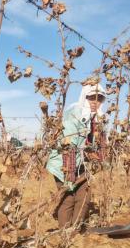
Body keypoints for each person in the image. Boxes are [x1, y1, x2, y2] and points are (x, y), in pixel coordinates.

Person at [46, 83, 107, 229]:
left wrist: (102, 158)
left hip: (80, 162)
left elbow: (99, 140)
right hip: (63, 163)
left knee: (84, 194)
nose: (95, 102)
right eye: (91, 97)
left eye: (99, 99)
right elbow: (69, 146)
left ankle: (74, 229)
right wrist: (70, 176)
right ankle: (64, 232)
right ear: (85, 97)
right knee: (69, 198)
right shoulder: (74, 113)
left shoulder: (97, 117)